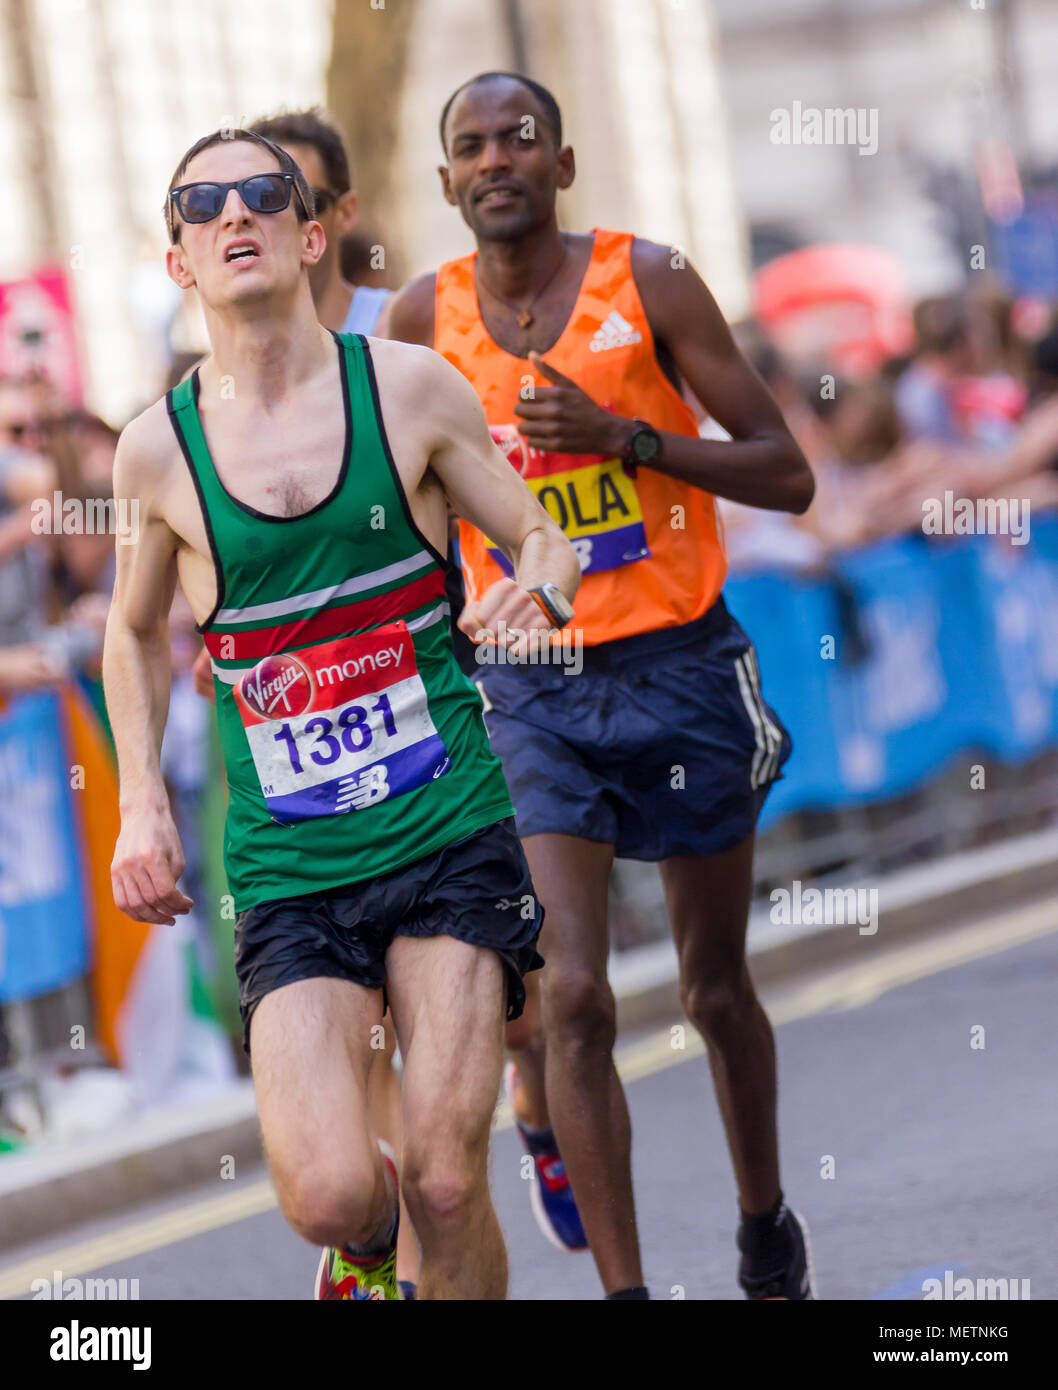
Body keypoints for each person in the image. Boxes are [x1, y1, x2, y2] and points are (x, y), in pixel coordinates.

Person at [103, 127, 579, 1300]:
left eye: (263, 194)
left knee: (450, 1179)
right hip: (289, 862)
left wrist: (537, 589)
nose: (235, 215)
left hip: (446, 831)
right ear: (180, 261)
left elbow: (540, 532)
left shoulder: (407, 389)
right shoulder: (155, 452)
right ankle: (362, 1262)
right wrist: (139, 803)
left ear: (311, 234)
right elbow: (127, 631)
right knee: (328, 1190)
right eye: (202, 204)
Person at [386, 71, 817, 1300]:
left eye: (518, 139)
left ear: (561, 165)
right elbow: (404, 506)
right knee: (569, 995)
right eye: (469, 147)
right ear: (446, 183)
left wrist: (627, 440)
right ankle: (624, 1293)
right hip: (530, 686)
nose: (494, 160)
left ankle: (763, 1222)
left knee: (711, 987)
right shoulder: (424, 320)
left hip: (677, 665)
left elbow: (787, 475)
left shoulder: (653, 278)